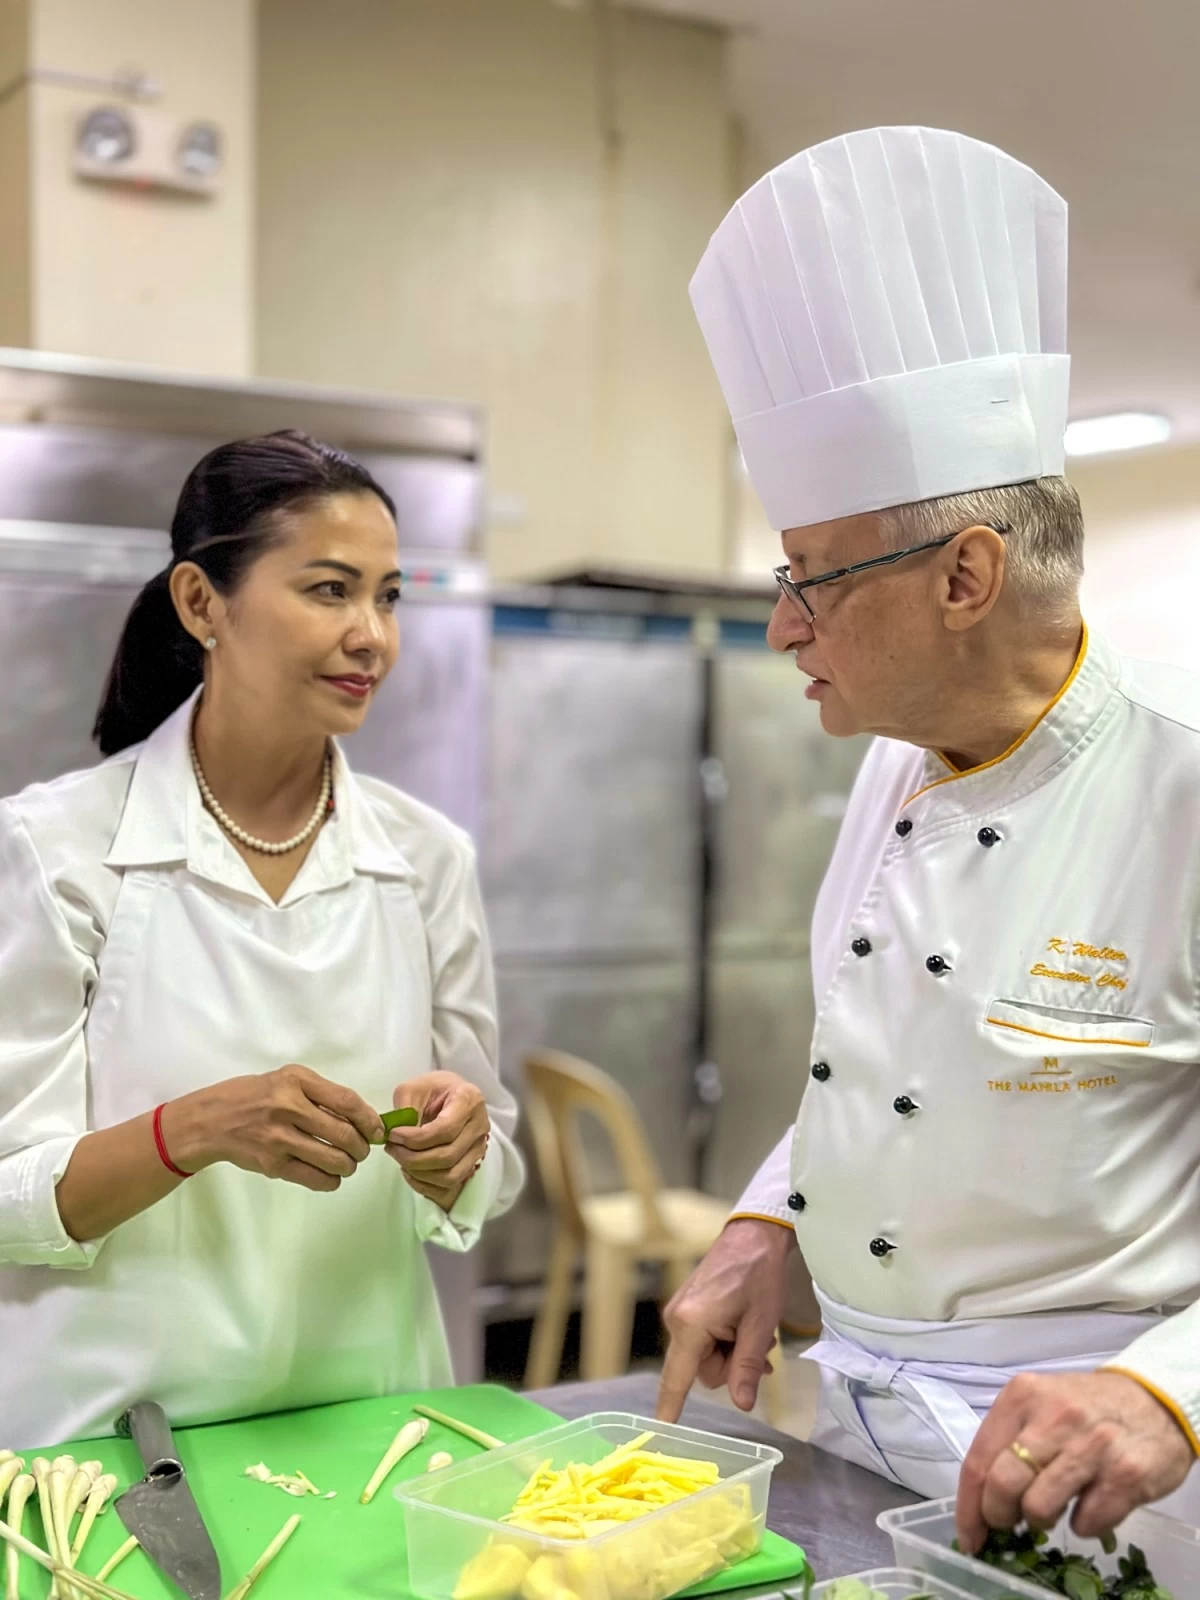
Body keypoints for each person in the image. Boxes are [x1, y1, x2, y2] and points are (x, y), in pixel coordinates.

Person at [657, 126, 1200, 1547]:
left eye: (810, 580)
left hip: (1114, 1489)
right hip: (858, 1443)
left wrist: (1171, 1390)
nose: (780, 624)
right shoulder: (891, 767)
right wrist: (768, 1219)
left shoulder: (1186, 777)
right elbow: (878, 1067)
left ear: (966, 573)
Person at [0, 430, 524, 1447]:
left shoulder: (426, 858)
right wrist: (188, 1131)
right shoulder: (55, 848)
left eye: (388, 595)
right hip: (118, 1439)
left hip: (374, 1424)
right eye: (330, 590)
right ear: (202, 604)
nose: (372, 634)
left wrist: (461, 1145)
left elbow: (489, 1162)